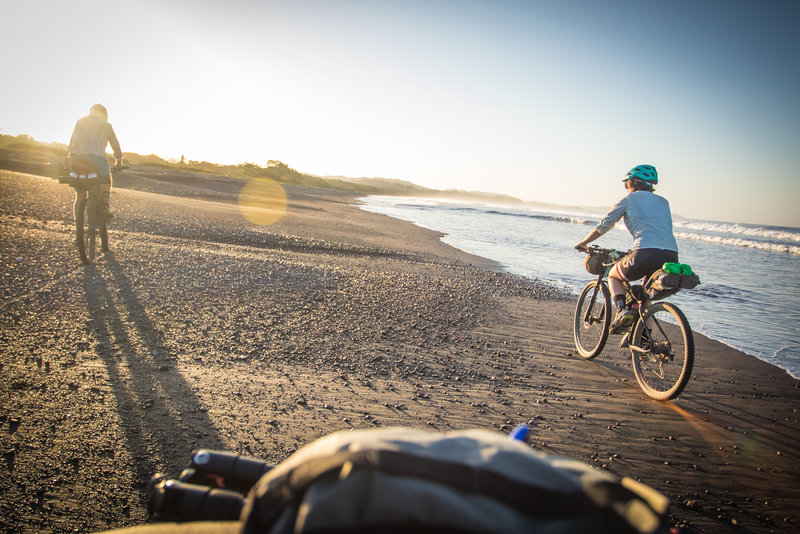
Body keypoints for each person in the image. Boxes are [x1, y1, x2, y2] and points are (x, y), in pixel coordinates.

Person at [574, 164, 679, 333]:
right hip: (671, 255)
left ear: (631, 183)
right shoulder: (663, 202)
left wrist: (583, 243)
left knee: (614, 275)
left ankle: (622, 310)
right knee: (645, 297)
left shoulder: (628, 200)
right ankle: (644, 339)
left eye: (626, 182)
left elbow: (604, 226)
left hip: (645, 252)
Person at [68, 103, 123, 221]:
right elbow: (115, 145)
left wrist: (70, 157)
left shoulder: (80, 122)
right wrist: (119, 161)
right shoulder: (106, 125)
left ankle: (78, 224)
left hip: (77, 159)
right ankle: (105, 204)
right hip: (97, 158)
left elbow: (72, 141)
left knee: (80, 195)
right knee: (106, 179)